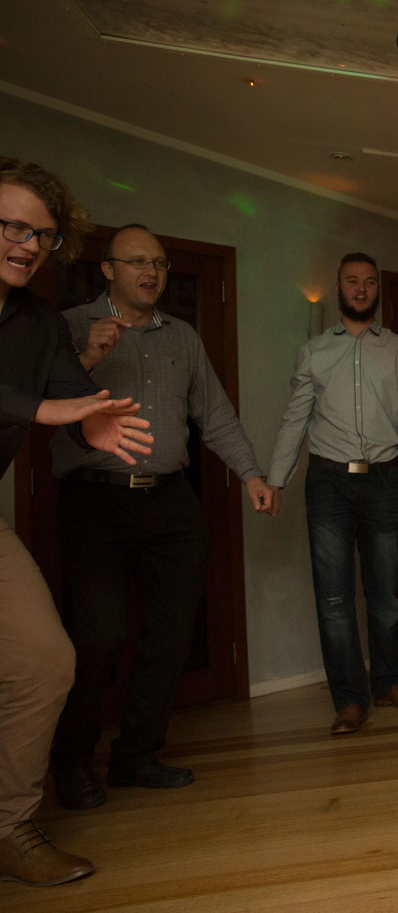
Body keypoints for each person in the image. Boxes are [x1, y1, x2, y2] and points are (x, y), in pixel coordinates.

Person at [48, 225, 275, 810]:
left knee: (171, 633)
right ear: (108, 269)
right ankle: (70, 763)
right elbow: (38, 404)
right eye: (138, 261)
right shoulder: (71, 325)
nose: (152, 272)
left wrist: (250, 473)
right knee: (98, 636)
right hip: (96, 499)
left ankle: (136, 756)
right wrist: (90, 356)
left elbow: (215, 416)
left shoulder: (184, 337)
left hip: (172, 500)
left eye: (160, 263)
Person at [0, 158, 153, 886]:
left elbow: (70, 392)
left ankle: (9, 826)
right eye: (12, 226)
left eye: (44, 236)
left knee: (44, 660)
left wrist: (92, 415)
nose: (28, 244)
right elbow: (39, 404)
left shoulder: (34, 320)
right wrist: (38, 410)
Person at [266, 253, 398, 736]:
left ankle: (389, 683)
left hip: (384, 481)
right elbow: (295, 419)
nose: (361, 289)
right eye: (352, 282)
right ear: (338, 288)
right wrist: (276, 479)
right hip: (328, 484)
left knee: (385, 595)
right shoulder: (314, 351)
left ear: (378, 289)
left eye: (369, 282)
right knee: (334, 599)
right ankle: (349, 701)